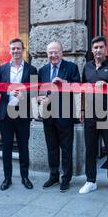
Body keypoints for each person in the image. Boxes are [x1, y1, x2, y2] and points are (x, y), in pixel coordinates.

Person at [78, 36, 108, 198]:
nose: (98, 50)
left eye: (100, 47)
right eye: (95, 47)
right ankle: (90, 181)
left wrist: (107, 86)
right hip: (90, 114)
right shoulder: (87, 67)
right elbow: (82, 89)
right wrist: (82, 109)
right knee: (90, 149)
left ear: (105, 49)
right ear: (91, 50)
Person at [0, 38, 37, 191]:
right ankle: (7, 178)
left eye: (18, 48)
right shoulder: (2, 69)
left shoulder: (31, 70)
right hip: (6, 114)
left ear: (23, 50)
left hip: (23, 114)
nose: (16, 51)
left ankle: (25, 177)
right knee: (6, 148)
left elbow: (35, 92)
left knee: (23, 147)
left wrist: (23, 96)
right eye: (13, 49)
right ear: (9, 50)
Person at [38, 41, 80, 192]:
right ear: (47, 54)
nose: (53, 55)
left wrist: (64, 82)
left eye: (56, 52)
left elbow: (77, 89)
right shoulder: (42, 70)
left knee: (66, 149)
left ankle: (66, 178)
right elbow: (39, 91)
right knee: (52, 148)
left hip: (65, 114)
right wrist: (39, 98)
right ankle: (53, 176)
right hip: (48, 115)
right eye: (50, 53)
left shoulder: (71, 67)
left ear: (62, 52)